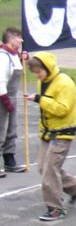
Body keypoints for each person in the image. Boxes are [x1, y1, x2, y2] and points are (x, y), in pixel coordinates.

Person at [26, 53, 76, 221]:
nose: (37, 76)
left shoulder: (64, 83)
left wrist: (40, 99)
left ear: (47, 68)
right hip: (47, 132)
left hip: (63, 132)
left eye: (39, 72)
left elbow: (62, 109)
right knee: (43, 167)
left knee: (50, 172)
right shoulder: (42, 82)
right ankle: (75, 187)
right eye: (35, 73)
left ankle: (56, 208)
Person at [0, 27, 25, 176]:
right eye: (18, 38)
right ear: (10, 39)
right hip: (3, 97)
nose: (21, 40)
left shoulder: (14, 55)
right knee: (0, 129)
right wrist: (6, 101)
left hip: (12, 97)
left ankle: (9, 160)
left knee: (12, 128)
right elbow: (1, 81)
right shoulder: (3, 57)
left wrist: (23, 57)